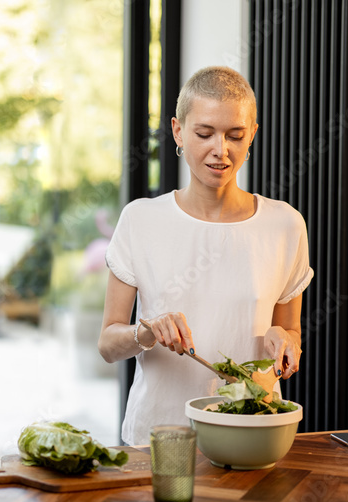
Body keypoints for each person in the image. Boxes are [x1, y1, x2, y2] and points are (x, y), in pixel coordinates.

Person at [98, 66, 313, 447]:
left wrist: (287, 339)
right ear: (179, 131)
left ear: (252, 136)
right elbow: (109, 344)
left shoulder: (285, 224)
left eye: (235, 135)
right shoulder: (141, 219)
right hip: (159, 440)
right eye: (204, 133)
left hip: (252, 434)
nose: (221, 150)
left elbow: (289, 331)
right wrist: (145, 331)